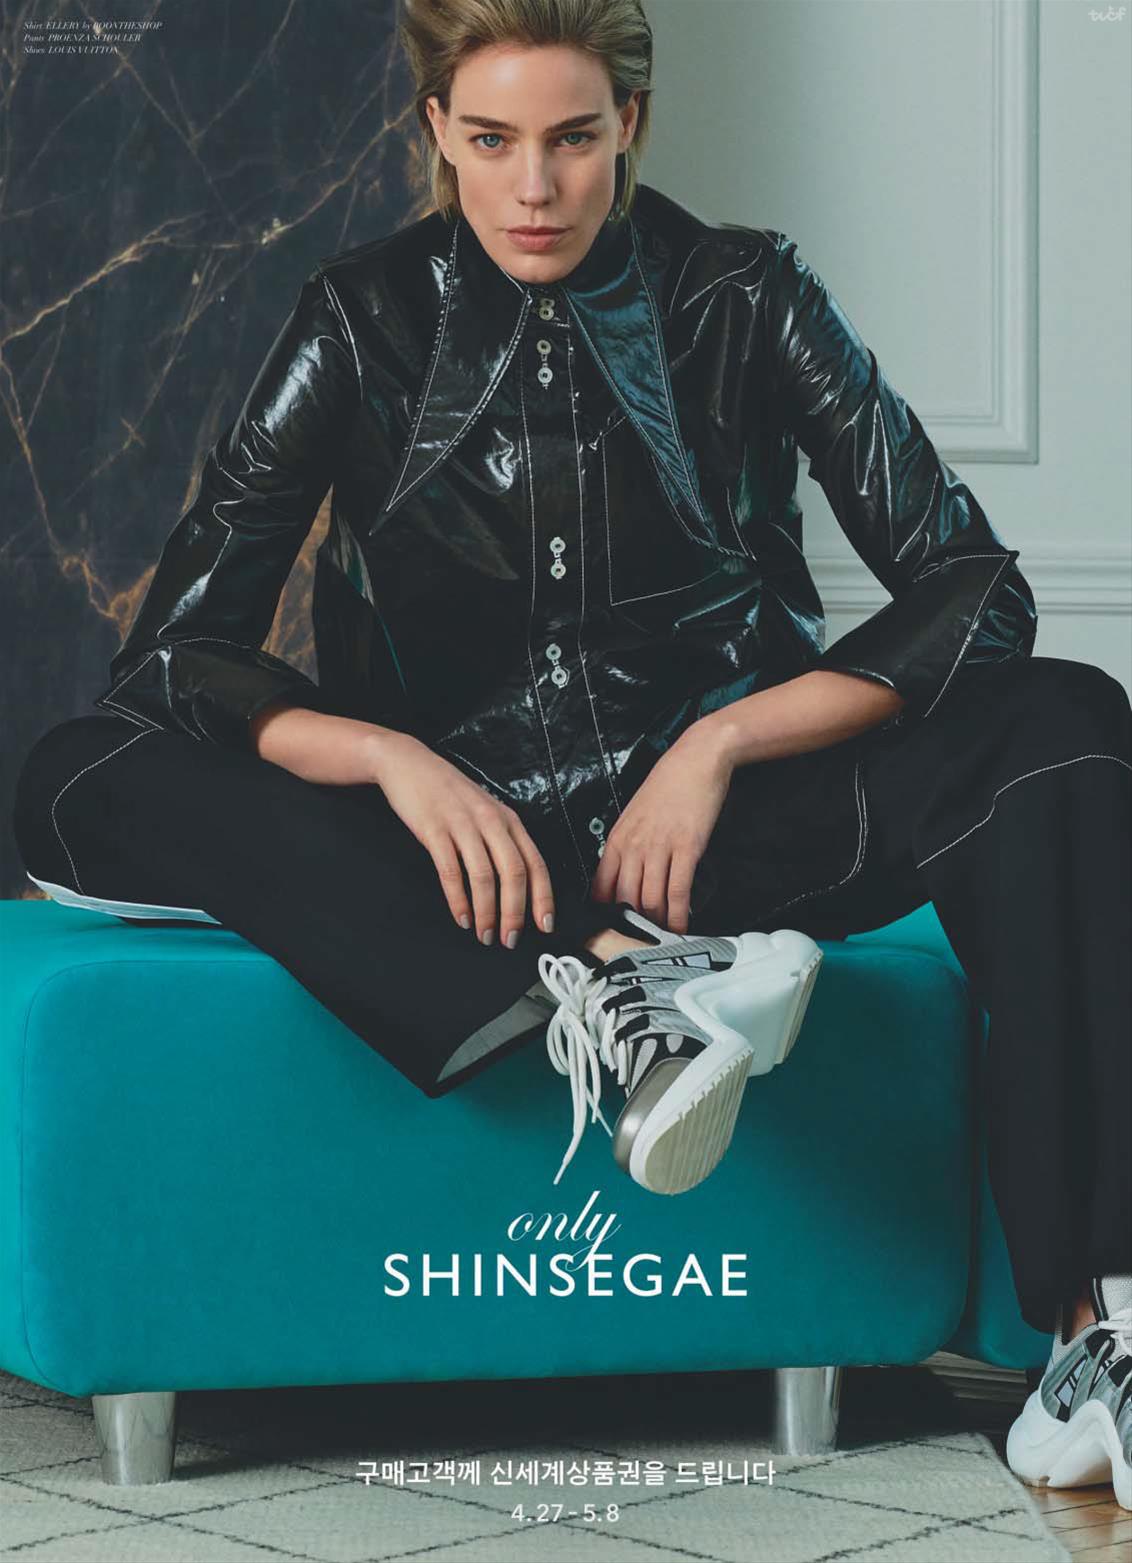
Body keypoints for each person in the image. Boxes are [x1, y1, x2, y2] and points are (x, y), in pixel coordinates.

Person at [11, 0, 1130, 1505]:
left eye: (573, 140)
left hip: (730, 845)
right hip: (465, 869)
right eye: (490, 141)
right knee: (76, 772)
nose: (532, 187)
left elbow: (974, 588)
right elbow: (177, 649)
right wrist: (389, 761)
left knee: (1065, 719)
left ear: (630, 128)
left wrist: (722, 742)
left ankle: (1100, 1330)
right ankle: (613, 983)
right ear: (436, 132)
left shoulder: (746, 294)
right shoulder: (356, 318)